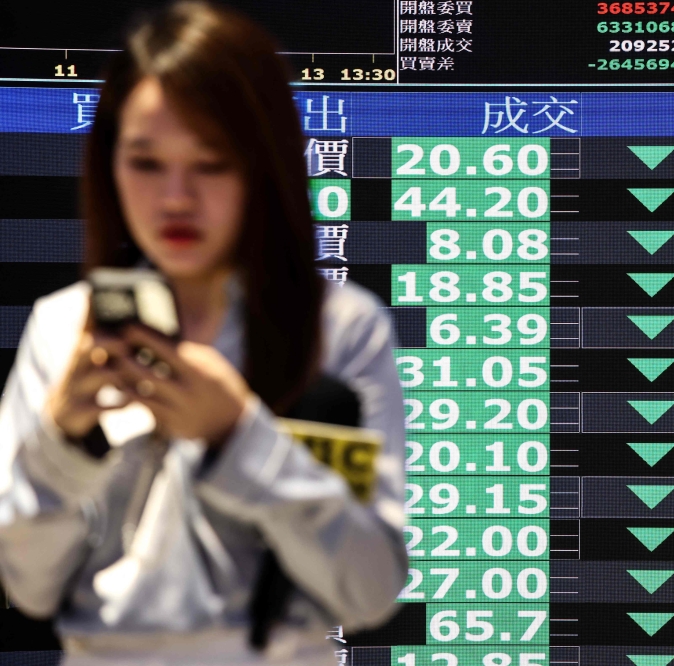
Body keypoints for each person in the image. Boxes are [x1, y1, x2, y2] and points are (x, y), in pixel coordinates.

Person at [0, 2, 407, 663]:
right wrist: (62, 444)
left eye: (211, 163)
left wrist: (239, 437)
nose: (176, 198)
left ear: (263, 166)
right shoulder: (63, 328)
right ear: (109, 166)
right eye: (145, 163)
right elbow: (28, 586)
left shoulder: (339, 328)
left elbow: (368, 591)